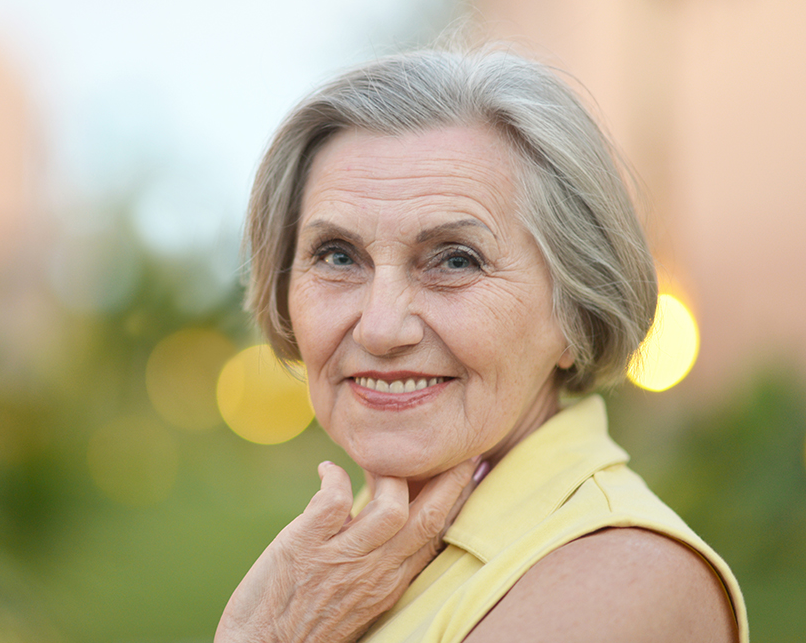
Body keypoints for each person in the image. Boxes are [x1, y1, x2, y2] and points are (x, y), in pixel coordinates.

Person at [215, 46, 748, 643]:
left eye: (455, 260)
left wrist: (265, 635)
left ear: (575, 310)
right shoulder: (354, 555)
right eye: (338, 256)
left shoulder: (620, 583)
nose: (380, 328)